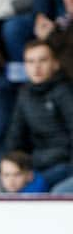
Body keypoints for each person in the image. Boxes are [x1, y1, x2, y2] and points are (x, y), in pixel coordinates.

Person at [4, 39, 73, 189]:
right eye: (30, 62)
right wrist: (10, 164)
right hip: (36, 164)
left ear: (55, 63)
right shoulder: (24, 94)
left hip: (64, 164)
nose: (36, 67)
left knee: (35, 191)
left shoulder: (65, 92)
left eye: (43, 60)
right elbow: (15, 135)